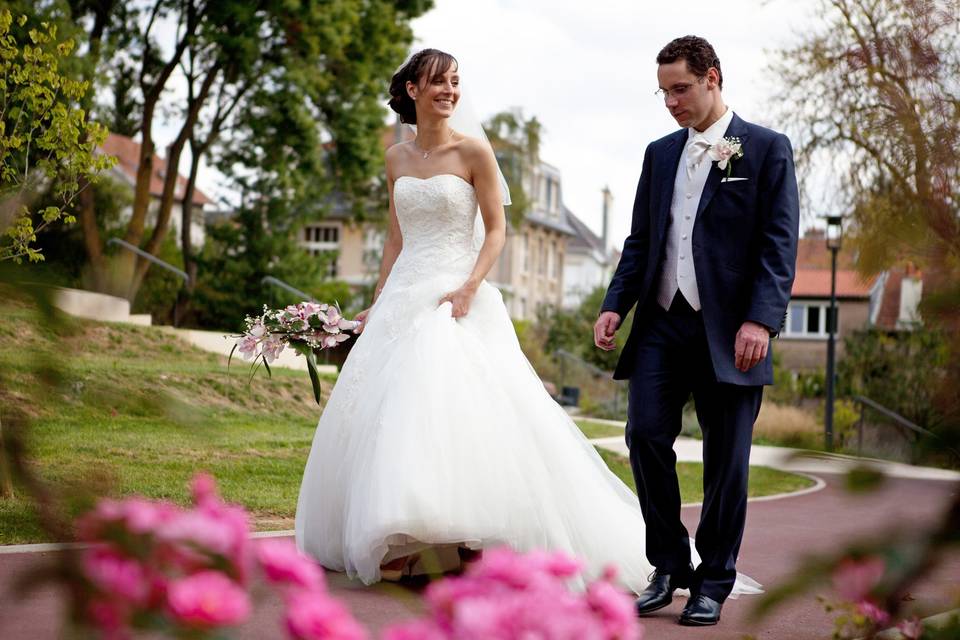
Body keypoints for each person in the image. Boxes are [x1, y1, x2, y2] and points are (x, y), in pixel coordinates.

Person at [295, 48, 668, 593]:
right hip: (404, 295)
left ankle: (463, 541)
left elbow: (496, 230)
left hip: (456, 293)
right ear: (412, 91)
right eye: (438, 82)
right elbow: (396, 239)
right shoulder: (396, 159)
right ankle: (413, 539)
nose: (449, 91)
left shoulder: (474, 152)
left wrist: (469, 285)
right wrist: (379, 299)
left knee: (454, 406)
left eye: (455, 82)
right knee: (389, 412)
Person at [594, 35, 799, 626]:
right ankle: (668, 564)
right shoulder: (660, 155)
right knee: (645, 436)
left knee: (727, 459)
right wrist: (616, 304)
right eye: (663, 92)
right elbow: (641, 241)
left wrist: (762, 319)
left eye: (680, 89)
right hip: (662, 322)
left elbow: (778, 244)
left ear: (713, 78)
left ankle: (714, 579)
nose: (671, 103)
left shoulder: (765, 149)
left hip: (733, 331)